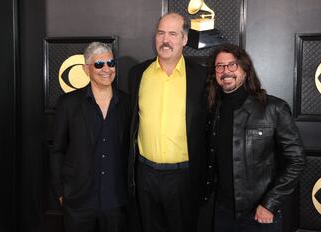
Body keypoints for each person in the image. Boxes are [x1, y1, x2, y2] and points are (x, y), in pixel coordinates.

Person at [205, 43, 306, 232]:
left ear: (245, 69)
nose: (226, 71)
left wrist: (270, 204)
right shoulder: (213, 110)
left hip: (260, 214)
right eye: (220, 66)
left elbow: (297, 160)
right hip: (222, 213)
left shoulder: (274, 108)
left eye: (232, 65)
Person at [127, 12, 207, 232]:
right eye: (161, 33)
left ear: (184, 39)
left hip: (183, 177)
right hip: (145, 174)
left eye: (173, 34)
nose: (165, 40)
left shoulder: (201, 78)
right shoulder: (137, 74)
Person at [50, 42, 131, 232]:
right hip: (79, 202)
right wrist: (61, 192)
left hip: (116, 202)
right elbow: (57, 150)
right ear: (87, 69)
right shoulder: (68, 104)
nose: (106, 69)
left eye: (111, 63)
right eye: (99, 64)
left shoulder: (127, 103)